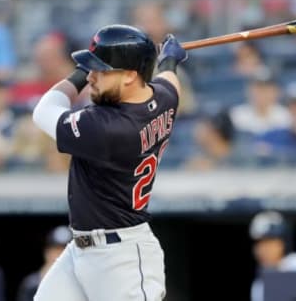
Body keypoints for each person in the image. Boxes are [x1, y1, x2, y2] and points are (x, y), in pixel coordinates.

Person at [32, 24, 187, 301]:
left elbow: (44, 110)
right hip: (82, 251)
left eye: (100, 69)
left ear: (129, 75)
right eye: (89, 69)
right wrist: (170, 62)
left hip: (122, 260)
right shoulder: (163, 98)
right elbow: (169, 81)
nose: (92, 76)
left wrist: (78, 75)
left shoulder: (106, 127)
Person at [249, 211, 296, 301]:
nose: (264, 249)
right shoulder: (259, 283)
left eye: (269, 242)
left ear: (282, 243)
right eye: (260, 243)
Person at [16, 225, 73, 301]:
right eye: (56, 250)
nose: (60, 255)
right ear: (47, 253)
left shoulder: (82, 283)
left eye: (65, 250)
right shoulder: (33, 285)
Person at [230, 70, 291, 136]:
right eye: (259, 88)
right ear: (249, 90)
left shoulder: (285, 115)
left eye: (267, 89)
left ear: (276, 92)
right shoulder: (236, 115)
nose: (263, 94)